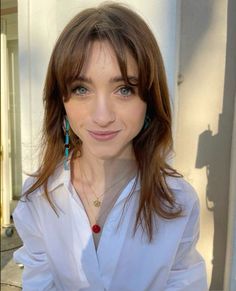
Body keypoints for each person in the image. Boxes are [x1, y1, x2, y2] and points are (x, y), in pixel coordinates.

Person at [13, 2, 208, 290]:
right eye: (81, 89)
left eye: (125, 89)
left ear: (149, 100)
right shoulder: (37, 200)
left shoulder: (178, 202)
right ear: (61, 101)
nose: (102, 116)